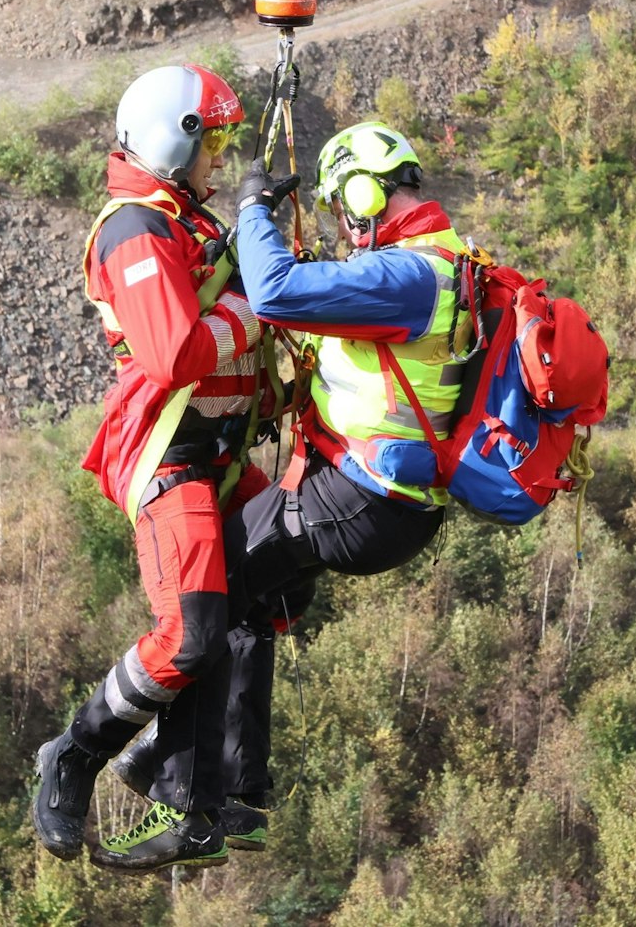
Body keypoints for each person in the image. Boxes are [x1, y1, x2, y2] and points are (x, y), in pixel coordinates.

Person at [109, 120, 470, 855]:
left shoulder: (403, 273)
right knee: (251, 602)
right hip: (391, 505)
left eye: (344, 206)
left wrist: (253, 213)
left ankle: (180, 797)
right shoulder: (448, 262)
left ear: (367, 194)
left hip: (361, 498)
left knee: (207, 591)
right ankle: (240, 797)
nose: (344, 224)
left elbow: (272, 291)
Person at [30, 64, 275, 873]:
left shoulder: (190, 222)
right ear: (177, 139)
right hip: (171, 452)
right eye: (218, 144)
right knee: (191, 632)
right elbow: (175, 352)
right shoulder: (136, 227)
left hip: (221, 452)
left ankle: (204, 788)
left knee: (273, 583)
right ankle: (77, 753)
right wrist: (248, 309)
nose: (222, 159)